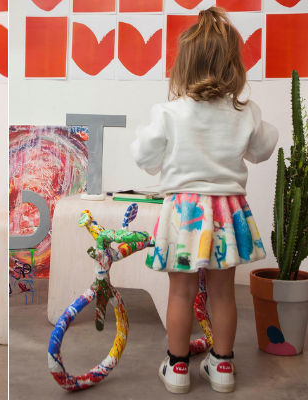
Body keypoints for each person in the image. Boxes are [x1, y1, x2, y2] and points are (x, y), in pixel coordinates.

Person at [131, 6, 278, 394]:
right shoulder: (245, 112)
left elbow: (143, 156)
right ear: (233, 67)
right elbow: (264, 149)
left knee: (180, 292)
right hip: (227, 213)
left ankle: (178, 367)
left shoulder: (168, 113)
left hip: (185, 214)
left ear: (184, 65)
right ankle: (223, 366)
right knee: (224, 293)